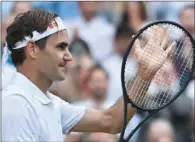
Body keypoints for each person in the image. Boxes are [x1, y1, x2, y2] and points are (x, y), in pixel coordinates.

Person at [2, 9, 174, 141]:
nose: (69, 56)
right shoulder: (16, 104)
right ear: (32, 50)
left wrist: (144, 75)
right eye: (60, 47)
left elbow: (111, 121)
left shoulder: (49, 102)